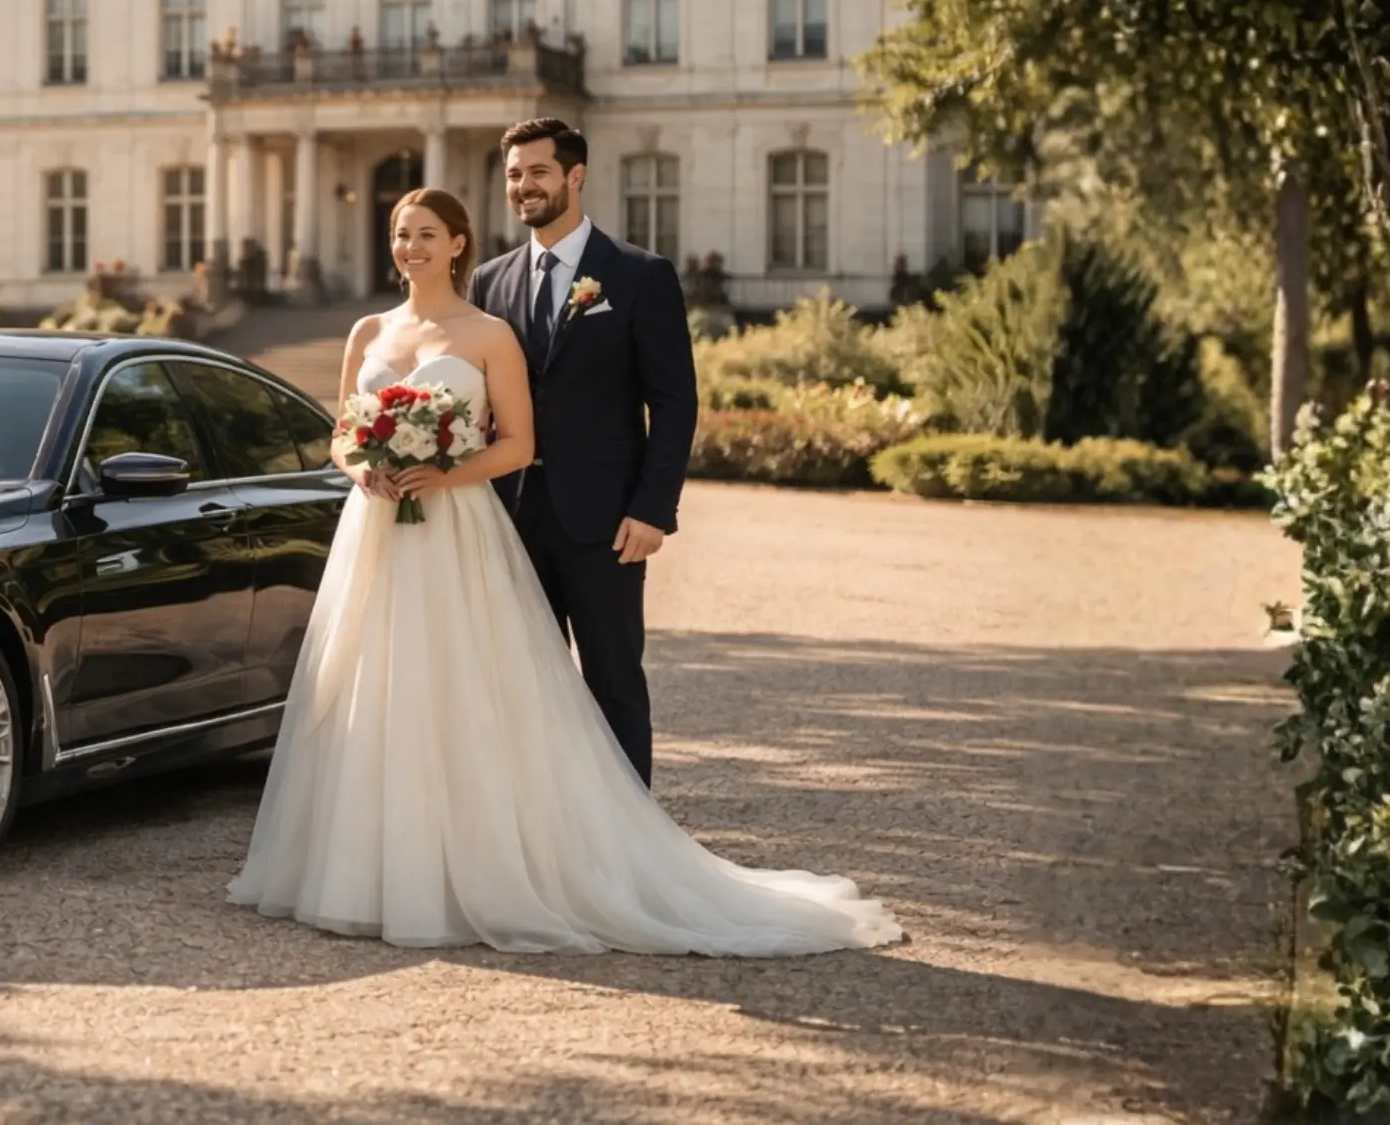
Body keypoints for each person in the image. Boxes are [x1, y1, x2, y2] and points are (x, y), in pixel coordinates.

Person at [227, 186, 898, 954]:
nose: (410, 246)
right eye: (400, 234)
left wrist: (442, 472)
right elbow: (341, 433)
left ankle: (514, 861)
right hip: (376, 531)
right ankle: (373, 869)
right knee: (376, 687)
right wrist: (366, 467)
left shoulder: (489, 333)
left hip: (457, 526)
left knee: (477, 692)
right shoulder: (367, 330)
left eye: (425, 234)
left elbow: (518, 443)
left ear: (457, 244)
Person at [464, 117, 694, 786]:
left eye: (537, 172)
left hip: (606, 524)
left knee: (614, 684)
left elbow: (674, 402)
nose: (523, 186)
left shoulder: (640, 275)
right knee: (518, 685)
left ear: (575, 176)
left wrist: (653, 510)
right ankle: (543, 840)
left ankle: (631, 850)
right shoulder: (490, 282)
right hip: (511, 521)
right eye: (513, 174)